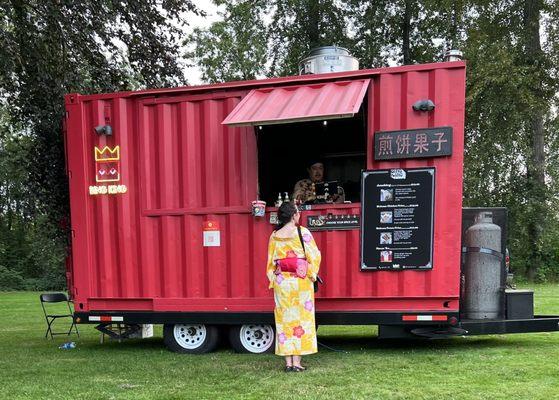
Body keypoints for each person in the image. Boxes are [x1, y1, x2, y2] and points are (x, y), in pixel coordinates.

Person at [266, 202, 321, 372]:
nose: (299, 214)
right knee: (301, 321)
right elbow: (315, 256)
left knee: (285, 321)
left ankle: (288, 363)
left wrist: (274, 278)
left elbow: (271, 263)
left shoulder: (275, 235)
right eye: (298, 212)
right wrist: (311, 274)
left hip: (283, 283)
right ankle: (296, 363)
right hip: (300, 281)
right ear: (293, 215)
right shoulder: (302, 232)